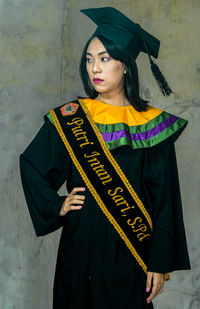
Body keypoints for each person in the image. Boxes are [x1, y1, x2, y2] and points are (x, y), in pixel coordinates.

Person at [19, 7, 191, 309]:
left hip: (130, 254)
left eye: (104, 59)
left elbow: (165, 200)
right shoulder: (71, 118)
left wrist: (159, 263)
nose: (94, 68)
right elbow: (32, 165)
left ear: (125, 66)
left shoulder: (151, 125)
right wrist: (56, 204)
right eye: (89, 59)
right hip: (80, 252)